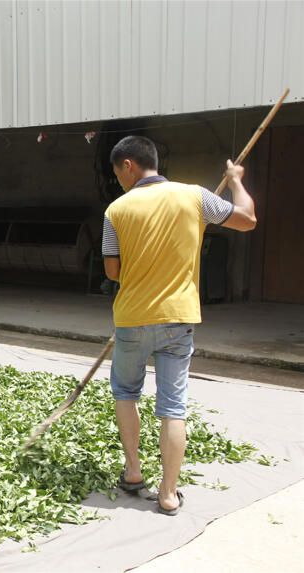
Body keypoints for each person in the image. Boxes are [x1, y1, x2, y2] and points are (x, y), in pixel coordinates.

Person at [102, 136, 256, 515]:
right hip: (179, 317)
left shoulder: (116, 210)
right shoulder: (195, 197)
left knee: (126, 391)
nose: (119, 180)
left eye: (117, 172)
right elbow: (247, 219)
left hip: (133, 317)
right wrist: (235, 179)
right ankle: (169, 494)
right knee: (173, 406)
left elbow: (112, 271)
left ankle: (134, 472)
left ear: (129, 166)